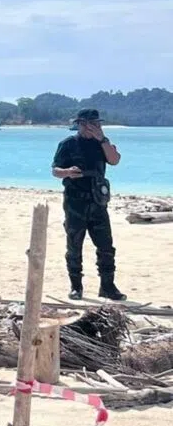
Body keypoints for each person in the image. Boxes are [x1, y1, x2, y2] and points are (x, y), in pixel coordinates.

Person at [51, 108, 125, 301]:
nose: (92, 127)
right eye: (88, 124)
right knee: (74, 244)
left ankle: (107, 286)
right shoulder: (68, 144)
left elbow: (115, 160)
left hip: (98, 200)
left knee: (106, 245)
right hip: (75, 200)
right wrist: (67, 171)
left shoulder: (103, 143)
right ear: (80, 124)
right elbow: (55, 170)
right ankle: (76, 287)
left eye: (96, 124)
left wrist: (102, 139)